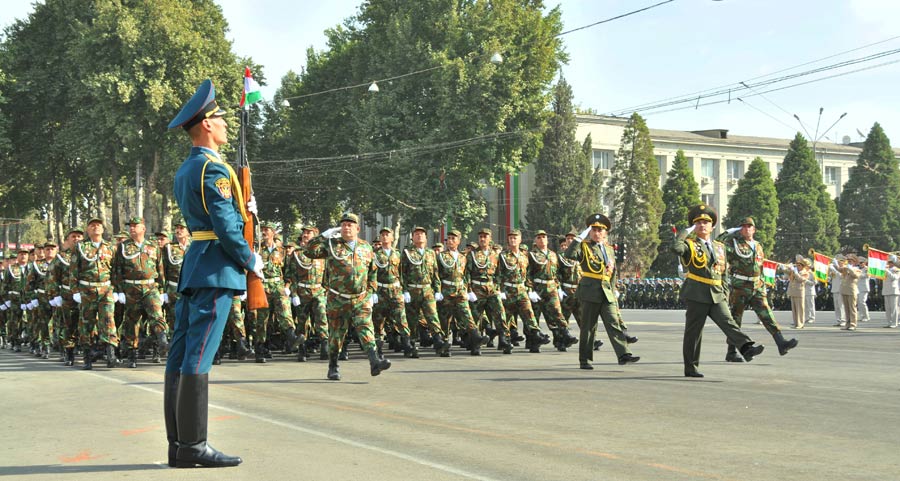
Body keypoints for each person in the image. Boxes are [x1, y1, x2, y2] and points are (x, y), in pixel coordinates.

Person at [166, 79, 263, 468]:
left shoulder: (188, 169)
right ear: (206, 124)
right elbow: (224, 225)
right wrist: (249, 259)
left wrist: (245, 204)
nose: (224, 123)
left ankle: (178, 444)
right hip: (217, 268)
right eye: (220, 118)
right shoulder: (213, 170)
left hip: (196, 265)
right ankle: (194, 445)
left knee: (181, 354)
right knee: (199, 356)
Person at [671, 204, 764, 378]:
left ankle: (746, 348)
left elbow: (724, 273)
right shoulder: (690, 244)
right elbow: (676, 248)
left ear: (712, 226)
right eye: (698, 222)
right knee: (694, 333)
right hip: (697, 293)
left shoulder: (719, 246)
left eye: (706, 222)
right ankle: (690, 367)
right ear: (694, 226)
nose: (702, 225)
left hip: (716, 292)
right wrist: (685, 231)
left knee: (728, 322)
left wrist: (726, 293)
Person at [306, 213, 391, 381]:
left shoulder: (366, 247)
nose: (346, 227)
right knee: (337, 334)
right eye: (343, 224)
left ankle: (374, 361)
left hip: (360, 298)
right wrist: (323, 235)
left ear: (357, 229)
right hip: (338, 298)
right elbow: (309, 251)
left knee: (366, 328)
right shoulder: (332, 245)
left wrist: (371, 292)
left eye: (350, 225)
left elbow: (373, 272)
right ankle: (333, 366)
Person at [564, 214, 639, 370]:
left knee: (614, 323)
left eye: (600, 230)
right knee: (588, 328)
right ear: (590, 232)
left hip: (606, 292)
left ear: (605, 233)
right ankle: (585, 360)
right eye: (594, 230)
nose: (597, 233)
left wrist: (614, 289)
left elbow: (612, 272)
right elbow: (569, 255)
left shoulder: (609, 250)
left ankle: (623, 354)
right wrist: (579, 238)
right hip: (589, 292)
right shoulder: (584, 247)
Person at [717, 217, 797, 360]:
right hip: (740, 286)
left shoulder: (758, 246)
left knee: (766, 314)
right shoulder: (733, 244)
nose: (746, 229)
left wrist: (770, 276)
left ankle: (781, 343)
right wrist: (730, 231)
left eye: (749, 226)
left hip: (757, 285)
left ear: (754, 229)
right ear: (740, 229)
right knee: (735, 319)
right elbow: (717, 243)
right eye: (743, 226)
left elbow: (760, 265)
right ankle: (731, 352)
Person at [113, 216, 167, 369]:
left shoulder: (153, 246)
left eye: (135, 225)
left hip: (150, 287)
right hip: (131, 289)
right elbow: (117, 270)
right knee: (132, 322)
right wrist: (119, 291)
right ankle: (132, 355)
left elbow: (160, 268)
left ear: (143, 228)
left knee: (157, 315)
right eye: (130, 226)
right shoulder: (123, 247)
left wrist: (162, 290)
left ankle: (162, 340)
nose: (131, 228)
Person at [837, 254, 861, 331]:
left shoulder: (857, 269)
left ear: (854, 262)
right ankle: (847, 324)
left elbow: (855, 275)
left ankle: (853, 324)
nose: (849, 262)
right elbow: (839, 270)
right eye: (848, 261)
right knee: (846, 308)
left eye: (850, 261)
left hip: (852, 290)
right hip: (844, 290)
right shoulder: (846, 269)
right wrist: (835, 264)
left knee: (852, 308)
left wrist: (850, 269)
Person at [787, 256, 811, 329]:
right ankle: (796, 323)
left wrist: (796, 273)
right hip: (793, 291)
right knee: (794, 309)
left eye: (799, 265)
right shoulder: (794, 271)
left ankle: (800, 324)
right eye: (797, 265)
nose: (797, 266)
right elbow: (788, 274)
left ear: (803, 266)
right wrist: (786, 267)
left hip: (799, 292)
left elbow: (801, 279)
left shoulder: (805, 272)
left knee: (800, 309)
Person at [828, 258, 845, 327]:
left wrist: (835, 269)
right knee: (836, 306)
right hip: (835, 289)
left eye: (840, 262)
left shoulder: (844, 269)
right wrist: (830, 271)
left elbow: (841, 276)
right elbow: (830, 279)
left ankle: (843, 320)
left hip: (841, 289)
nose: (839, 263)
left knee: (841, 306)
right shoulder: (835, 270)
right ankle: (838, 320)